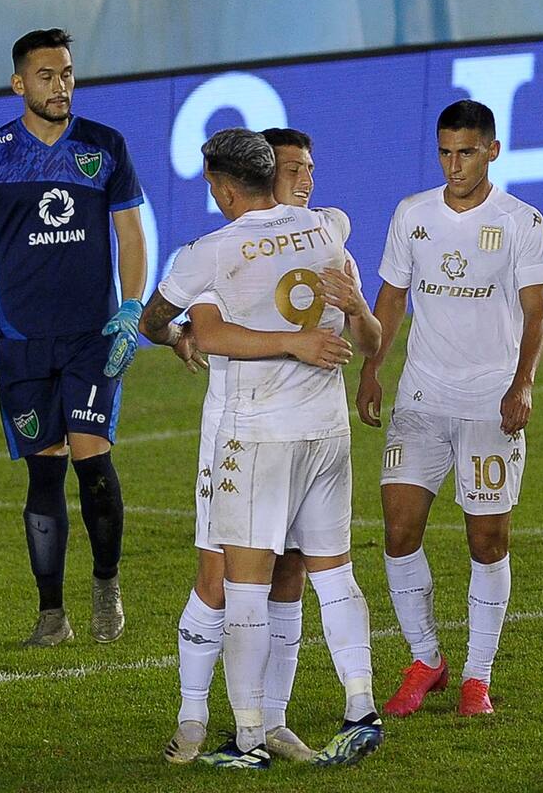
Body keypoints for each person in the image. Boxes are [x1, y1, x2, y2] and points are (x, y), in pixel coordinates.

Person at [139, 128, 384, 770]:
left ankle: (251, 735)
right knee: (314, 572)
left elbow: (159, 321)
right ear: (271, 172)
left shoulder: (213, 254)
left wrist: (180, 334)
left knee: (251, 584)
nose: (305, 177)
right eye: (295, 167)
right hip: (324, 432)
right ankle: (354, 708)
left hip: (254, 434)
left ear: (221, 185)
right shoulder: (326, 230)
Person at [0, 28, 147, 647]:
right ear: (19, 84)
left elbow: (131, 238)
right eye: (46, 76)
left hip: (92, 336)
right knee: (43, 474)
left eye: (66, 73)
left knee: (93, 461)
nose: (60, 86)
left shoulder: (104, 147)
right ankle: (50, 613)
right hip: (23, 341)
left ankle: (106, 583)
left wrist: (131, 305)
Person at [355, 99, 543, 717]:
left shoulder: (522, 221)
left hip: (490, 401)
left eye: (465, 152)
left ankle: (477, 676)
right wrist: (372, 367)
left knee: (487, 539)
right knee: (397, 529)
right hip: (421, 395)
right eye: (444, 152)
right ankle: (426, 660)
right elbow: (390, 298)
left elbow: (538, 310)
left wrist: (522, 384)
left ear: (492, 150)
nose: (453, 164)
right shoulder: (413, 214)